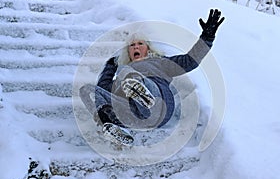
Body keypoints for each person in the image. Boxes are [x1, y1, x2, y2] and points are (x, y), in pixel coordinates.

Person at [80, 9, 225, 146]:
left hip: (159, 106)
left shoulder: (160, 62)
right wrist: (110, 66)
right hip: (132, 115)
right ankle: (110, 124)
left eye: (140, 44)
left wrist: (207, 37)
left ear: (148, 48)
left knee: (129, 74)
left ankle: (145, 95)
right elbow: (102, 89)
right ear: (128, 51)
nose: (136, 47)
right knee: (87, 90)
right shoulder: (120, 75)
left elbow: (190, 61)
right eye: (132, 45)